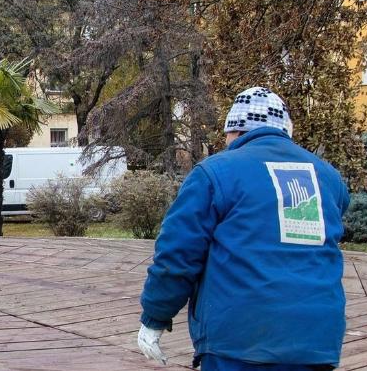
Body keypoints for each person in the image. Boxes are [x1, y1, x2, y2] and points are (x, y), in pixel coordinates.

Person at [137, 87, 349, 371]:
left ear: (236, 131)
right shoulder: (328, 177)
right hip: (316, 339)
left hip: (239, 340)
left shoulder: (215, 173)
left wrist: (155, 316)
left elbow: (178, 254)